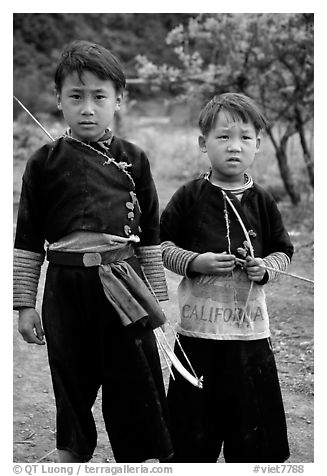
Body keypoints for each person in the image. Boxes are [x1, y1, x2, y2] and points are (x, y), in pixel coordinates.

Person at [13, 40, 173, 463]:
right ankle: (71, 450)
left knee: (133, 377)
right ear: (59, 101)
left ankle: (136, 456)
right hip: (65, 288)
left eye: (99, 97)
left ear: (119, 100)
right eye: (76, 96)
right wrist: (24, 305)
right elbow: (27, 239)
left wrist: (155, 295)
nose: (88, 108)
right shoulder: (42, 163)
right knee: (69, 374)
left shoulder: (133, 160)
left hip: (122, 281)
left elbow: (151, 232)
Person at [160, 92, 294, 463]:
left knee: (253, 443)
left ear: (258, 145)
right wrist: (194, 261)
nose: (234, 147)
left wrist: (264, 268)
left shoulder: (263, 201)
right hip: (196, 339)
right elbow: (161, 246)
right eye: (223, 137)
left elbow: (283, 252)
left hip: (249, 338)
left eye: (245, 138)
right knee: (189, 442)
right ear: (204, 143)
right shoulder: (189, 197)